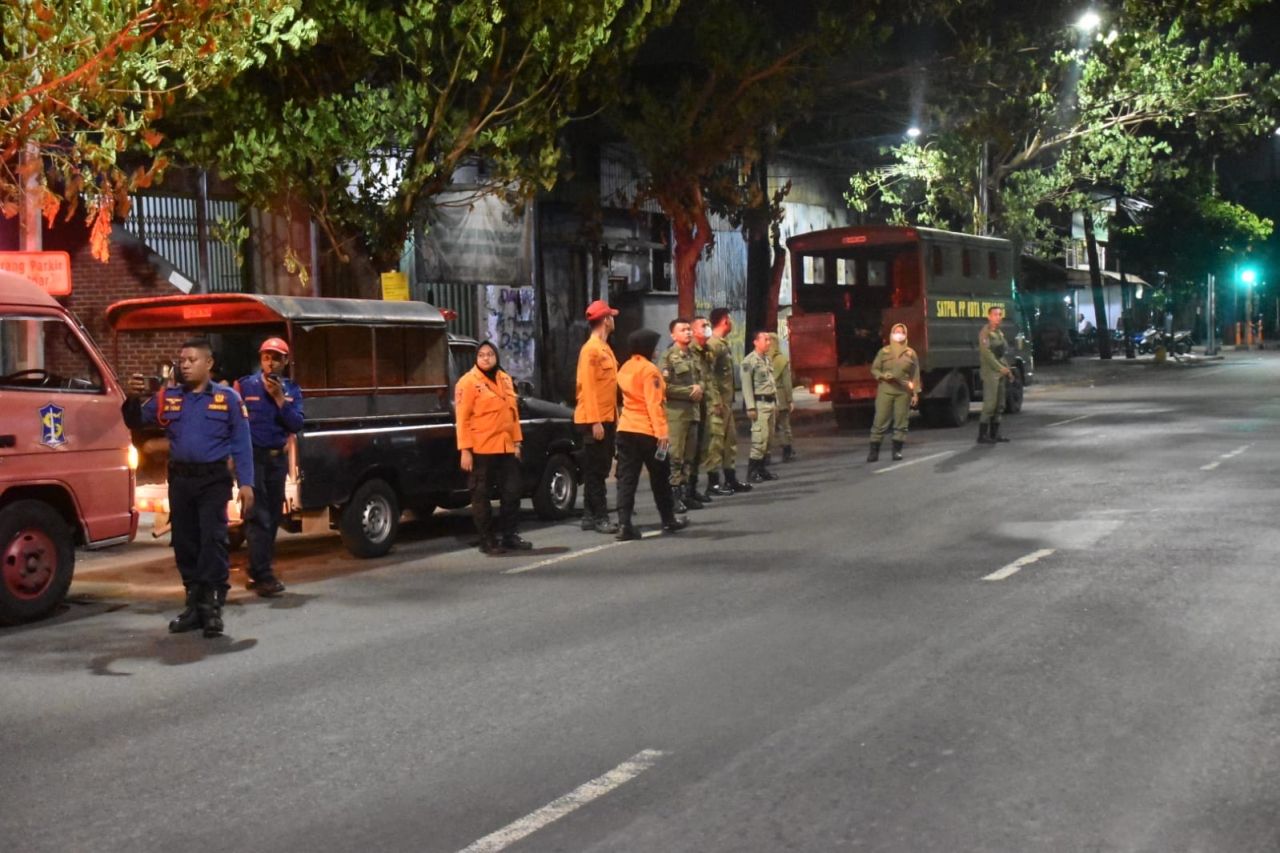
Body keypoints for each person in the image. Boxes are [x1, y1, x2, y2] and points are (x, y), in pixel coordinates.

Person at [124, 338, 254, 638]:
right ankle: (193, 605)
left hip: (213, 480)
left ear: (208, 364)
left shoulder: (228, 399)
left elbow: (242, 444)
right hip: (181, 480)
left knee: (212, 540)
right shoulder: (167, 397)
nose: (184, 364)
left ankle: (212, 606)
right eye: (181, 359)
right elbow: (136, 421)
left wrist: (247, 484)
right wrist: (132, 397)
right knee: (184, 543)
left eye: (191, 359)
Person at [235, 337, 303, 597]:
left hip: (277, 460)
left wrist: (279, 400)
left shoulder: (291, 390)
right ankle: (262, 575)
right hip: (252, 459)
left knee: (272, 516)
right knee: (258, 515)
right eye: (266, 357)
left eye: (276, 357)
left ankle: (257, 569)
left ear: (285, 361)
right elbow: (235, 423)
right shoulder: (244, 386)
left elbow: (296, 424)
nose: (270, 362)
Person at [455, 341, 532, 555]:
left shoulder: (505, 379)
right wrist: (465, 450)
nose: (486, 358)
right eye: (481, 355)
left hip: (506, 447)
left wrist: (517, 442)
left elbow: (513, 415)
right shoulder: (468, 383)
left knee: (512, 492)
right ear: (476, 358)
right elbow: (462, 419)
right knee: (481, 495)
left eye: (490, 354)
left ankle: (510, 536)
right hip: (481, 449)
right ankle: (487, 540)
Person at [614, 328, 687, 541]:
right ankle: (668, 518)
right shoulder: (650, 371)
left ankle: (624, 524)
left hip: (626, 429)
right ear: (647, 348)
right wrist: (662, 435)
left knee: (627, 479)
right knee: (660, 477)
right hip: (648, 433)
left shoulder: (625, 368)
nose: (656, 351)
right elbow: (654, 405)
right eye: (654, 346)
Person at [574, 299, 621, 534]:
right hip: (596, 419)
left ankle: (588, 515)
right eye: (611, 316)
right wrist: (595, 421)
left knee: (597, 468)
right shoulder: (591, 350)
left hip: (606, 416)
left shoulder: (604, 348)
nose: (613, 320)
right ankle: (600, 516)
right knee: (597, 471)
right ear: (605, 320)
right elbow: (588, 388)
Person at [701, 308, 751, 494]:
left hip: (727, 402)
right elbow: (708, 374)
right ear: (724, 321)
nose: (731, 322)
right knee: (716, 443)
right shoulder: (713, 344)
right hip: (718, 403)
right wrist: (715, 400)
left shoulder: (722, 343)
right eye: (729, 319)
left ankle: (730, 478)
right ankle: (713, 483)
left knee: (730, 441)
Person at [659, 318, 704, 512]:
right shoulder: (668, 357)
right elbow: (663, 387)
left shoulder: (694, 356)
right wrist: (689, 391)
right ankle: (673, 496)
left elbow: (702, 379)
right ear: (673, 335)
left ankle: (686, 494)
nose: (688, 332)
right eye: (683, 330)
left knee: (689, 456)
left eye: (688, 329)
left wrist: (700, 387)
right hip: (676, 413)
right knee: (675, 456)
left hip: (693, 412)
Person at [867, 323, 920, 462]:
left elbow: (915, 375)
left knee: (901, 421)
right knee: (880, 420)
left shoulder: (910, 353)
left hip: (903, 392)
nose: (899, 334)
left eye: (902, 332)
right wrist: (883, 376)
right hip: (886, 390)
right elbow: (875, 369)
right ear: (891, 334)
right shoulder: (884, 352)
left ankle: (897, 450)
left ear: (905, 335)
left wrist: (915, 393)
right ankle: (874, 451)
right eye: (896, 331)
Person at [740, 330, 779, 483]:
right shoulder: (749, 361)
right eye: (765, 340)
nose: (768, 342)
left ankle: (762, 469)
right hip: (759, 404)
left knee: (769, 439)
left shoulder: (767, 360)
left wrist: (776, 402)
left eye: (769, 340)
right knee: (759, 439)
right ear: (756, 342)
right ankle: (752, 471)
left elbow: (771, 383)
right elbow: (746, 386)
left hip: (770, 403)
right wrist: (750, 407)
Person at [689, 315, 719, 502]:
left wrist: (715, 401)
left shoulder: (706, 351)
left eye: (708, 324)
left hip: (705, 406)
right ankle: (684, 491)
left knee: (701, 448)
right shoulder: (687, 352)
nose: (707, 328)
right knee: (688, 452)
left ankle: (692, 488)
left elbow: (710, 380)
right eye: (703, 326)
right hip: (689, 408)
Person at [977, 306, 1013, 444]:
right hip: (991, 372)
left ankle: (995, 433)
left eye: (1000, 315)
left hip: (1000, 371)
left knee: (1000, 404)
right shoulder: (985, 333)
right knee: (990, 404)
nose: (998, 317)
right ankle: (982, 435)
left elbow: (1002, 353)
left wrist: (1007, 369)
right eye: (995, 314)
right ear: (989, 316)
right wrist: (1000, 368)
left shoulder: (999, 333)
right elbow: (987, 355)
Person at [767, 332, 796, 462]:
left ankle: (766, 453)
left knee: (769, 426)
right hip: (781, 396)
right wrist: (790, 399)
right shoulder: (781, 360)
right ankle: (787, 449)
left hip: (767, 397)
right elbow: (787, 382)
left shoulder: (762, 359)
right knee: (785, 424)